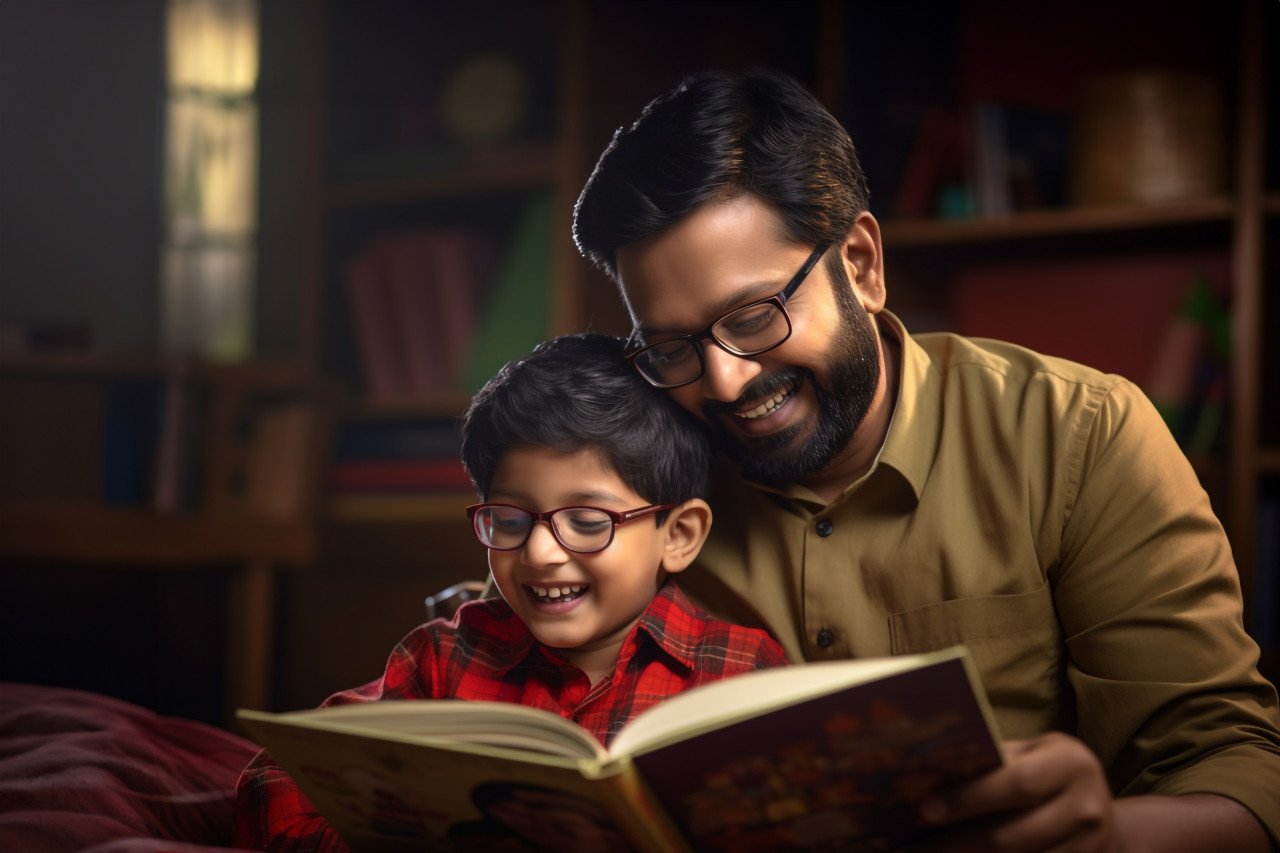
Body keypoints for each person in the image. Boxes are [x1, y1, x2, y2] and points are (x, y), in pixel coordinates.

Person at [572, 68, 1280, 852]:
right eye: (671, 347)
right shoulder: (643, 477)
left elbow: (1235, 768)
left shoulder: (1082, 434)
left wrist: (1113, 833)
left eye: (752, 317)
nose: (724, 380)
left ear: (863, 265)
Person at [233, 333, 788, 851]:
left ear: (678, 535)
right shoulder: (445, 659)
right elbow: (275, 782)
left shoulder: (740, 670)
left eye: (588, 520)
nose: (540, 553)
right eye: (509, 518)